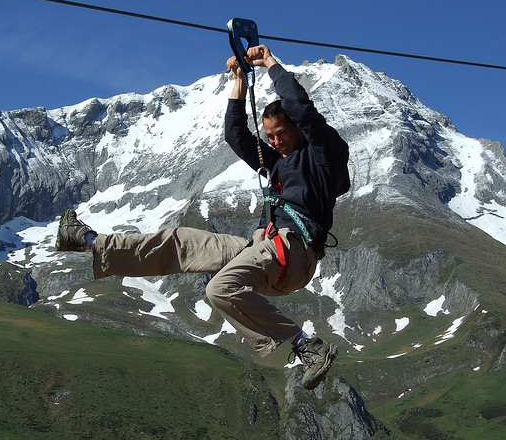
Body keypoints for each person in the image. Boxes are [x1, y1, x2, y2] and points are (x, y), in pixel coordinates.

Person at [55, 44, 350, 390]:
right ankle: (90, 241)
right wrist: (239, 79)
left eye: (281, 134)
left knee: (219, 288)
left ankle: (306, 345)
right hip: (265, 246)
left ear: (298, 128)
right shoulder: (279, 164)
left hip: (293, 252)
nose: (276, 142)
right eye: (270, 137)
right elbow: (236, 135)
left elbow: (301, 107)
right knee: (181, 242)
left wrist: (269, 63)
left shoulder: (322, 155)